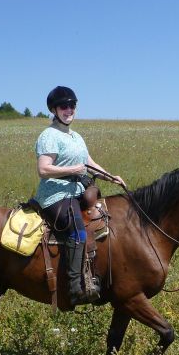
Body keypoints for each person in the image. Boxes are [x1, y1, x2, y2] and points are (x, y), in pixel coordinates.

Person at [33, 86, 125, 306]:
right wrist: (72, 170)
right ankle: (75, 288)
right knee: (77, 232)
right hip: (55, 195)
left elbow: (88, 163)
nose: (69, 110)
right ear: (54, 109)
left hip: (76, 192)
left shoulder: (75, 137)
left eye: (72, 105)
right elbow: (43, 169)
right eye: (63, 106)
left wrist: (110, 177)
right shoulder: (49, 136)